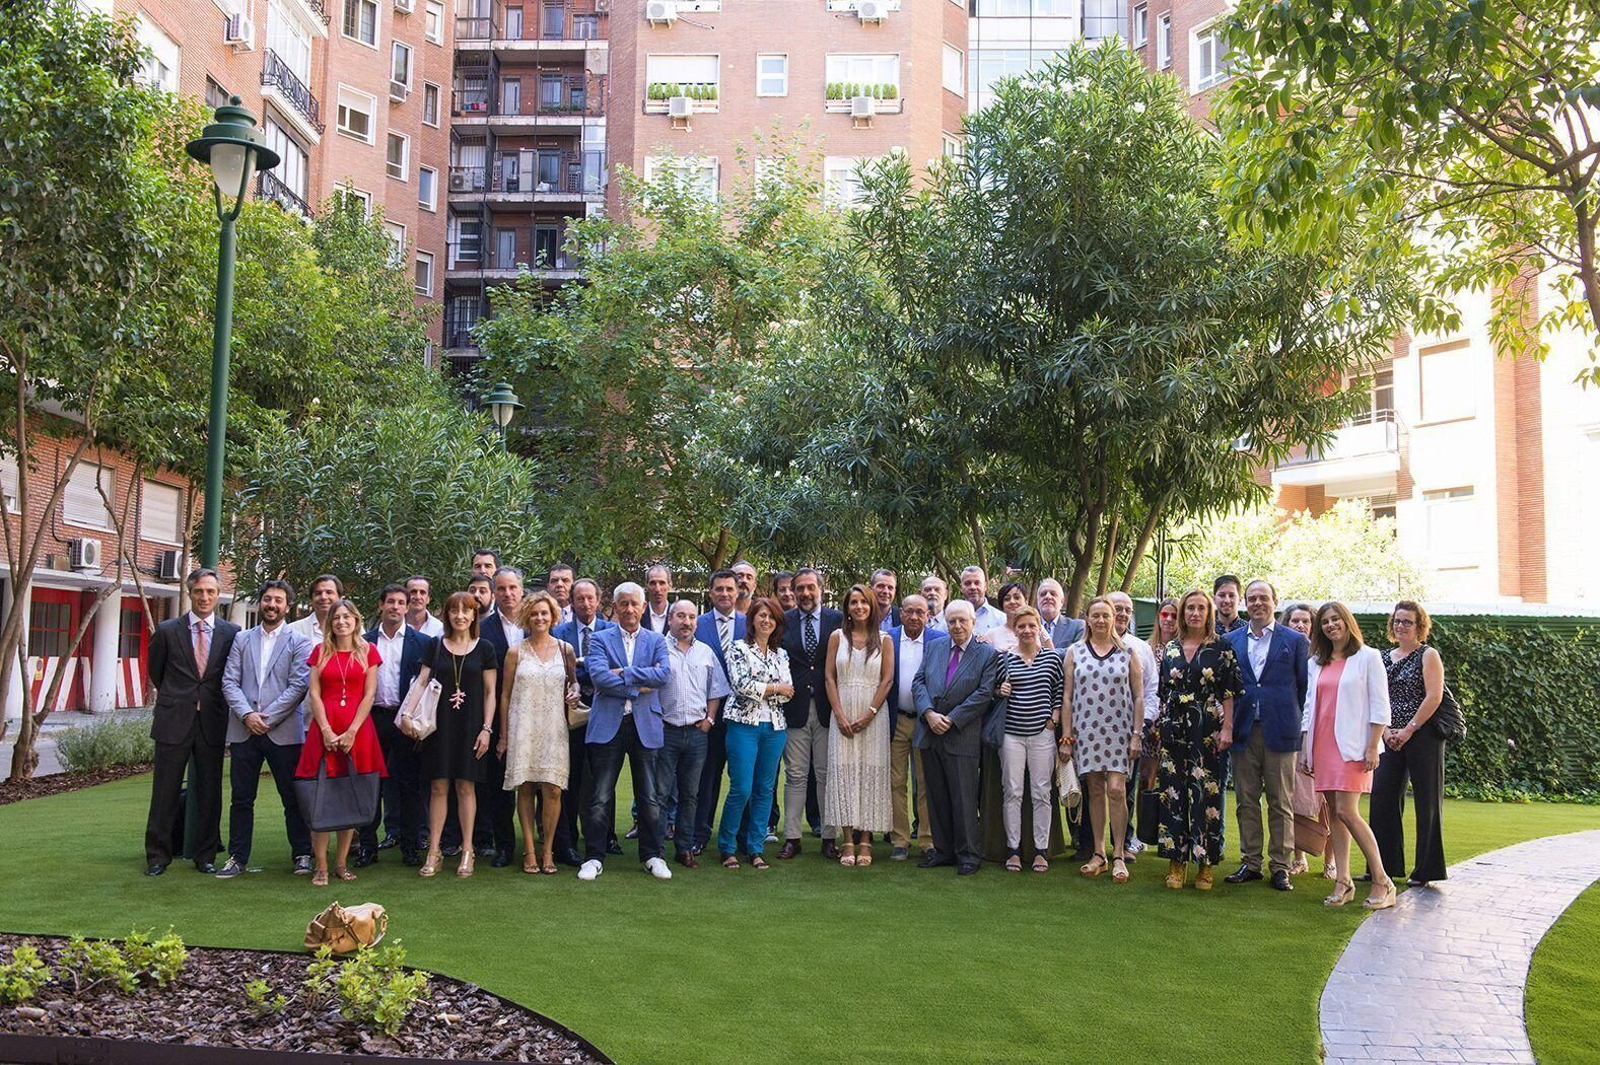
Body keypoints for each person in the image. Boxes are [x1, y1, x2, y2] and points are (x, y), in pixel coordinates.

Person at [1300, 601, 1396, 910]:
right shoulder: (1316, 662)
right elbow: (1309, 708)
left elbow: (1381, 706)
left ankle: (1383, 880)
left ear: (1347, 622)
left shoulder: (1368, 658)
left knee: (1347, 811)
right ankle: (1343, 881)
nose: (1330, 625)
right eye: (1325, 621)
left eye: (1335, 619)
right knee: (1334, 813)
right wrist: (1306, 748)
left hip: (1354, 746)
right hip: (1322, 745)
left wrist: (1373, 745)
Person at [145, 568, 240, 877]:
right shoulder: (168, 630)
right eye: (199, 591)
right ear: (190, 593)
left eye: (210, 592)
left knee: (210, 791)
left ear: (218, 595)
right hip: (174, 719)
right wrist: (180, 698)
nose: (204, 597)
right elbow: (156, 673)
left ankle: (206, 855)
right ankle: (158, 856)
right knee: (165, 791)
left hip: (211, 720)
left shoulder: (231, 632)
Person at [579, 582, 674, 882]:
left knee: (650, 796)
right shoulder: (600, 639)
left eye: (635, 604)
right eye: (624, 604)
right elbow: (599, 677)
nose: (630, 609)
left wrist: (624, 674)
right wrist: (638, 683)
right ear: (615, 607)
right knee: (600, 797)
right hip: (608, 725)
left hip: (645, 725)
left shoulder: (657, 640)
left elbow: (664, 675)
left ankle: (652, 855)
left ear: (643, 607)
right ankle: (594, 857)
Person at [219, 579, 311, 878]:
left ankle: (302, 854)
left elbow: (299, 685)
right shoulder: (242, 639)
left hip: (283, 732)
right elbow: (229, 681)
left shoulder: (299, 641)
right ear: (260, 602)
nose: (272, 605)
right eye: (268, 599)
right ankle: (237, 857)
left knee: (292, 797)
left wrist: (266, 718)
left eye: (279, 600)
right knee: (242, 798)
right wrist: (247, 715)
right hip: (245, 730)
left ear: (287, 606)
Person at [1222, 580, 1310, 892]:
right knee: (1246, 799)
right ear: (1245, 603)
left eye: (1263, 598)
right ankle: (1251, 861)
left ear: (1275, 601)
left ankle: (1281, 866)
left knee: (1280, 800)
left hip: (1281, 730)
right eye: (1252, 598)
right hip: (1244, 730)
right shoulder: (1230, 640)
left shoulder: (1295, 641)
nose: (1258, 603)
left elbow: (1303, 688)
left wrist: (1297, 723)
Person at [295, 599, 388, 887]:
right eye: (336, 617)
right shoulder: (319, 651)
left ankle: (341, 863)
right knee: (320, 798)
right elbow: (314, 694)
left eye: (347, 617)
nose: (341, 622)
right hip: (323, 730)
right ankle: (320, 866)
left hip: (358, 732)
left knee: (350, 796)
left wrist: (351, 732)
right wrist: (324, 729)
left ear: (356, 620)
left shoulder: (368, 651)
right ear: (330, 622)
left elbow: (369, 695)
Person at [1155, 589, 1242, 891]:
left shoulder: (1221, 647)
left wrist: (1228, 728)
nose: (1194, 613)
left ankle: (1205, 864)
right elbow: (1164, 691)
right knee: (1173, 793)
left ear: (1209, 613)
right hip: (1174, 729)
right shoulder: (1170, 649)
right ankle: (1176, 861)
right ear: (1182, 613)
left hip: (1207, 728)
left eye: (1200, 608)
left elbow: (1229, 692)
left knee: (1208, 795)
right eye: (1189, 608)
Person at [413, 592, 499, 878]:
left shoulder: (485, 648)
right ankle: (434, 852)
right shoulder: (435, 646)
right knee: (438, 787)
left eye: (466, 610)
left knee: (466, 787)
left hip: (472, 727)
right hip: (440, 727)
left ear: (474, 615)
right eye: (454, 611)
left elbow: (490, 693)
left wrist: (487, 728)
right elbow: (421, 682)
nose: (460, 615)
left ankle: (467, 850)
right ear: (447, 615)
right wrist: (406, 715)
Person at [912, 600, 1000, 875]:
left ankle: (968, 855)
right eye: (952, 621)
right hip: (930, 732)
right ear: (945, 623)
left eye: (963, 620)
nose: (957, 626)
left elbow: (984, 693)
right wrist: (928, 713)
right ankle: (944, 851)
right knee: (936, 797)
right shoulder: (935, 646)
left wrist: (952, 719)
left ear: (974, 622)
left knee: (963, 798)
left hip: (962, 734)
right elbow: (918, 682)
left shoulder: (986, 654)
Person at [1062, 597, 1143, 882]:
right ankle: (1099, 853)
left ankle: (1119, 853)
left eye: (1105, 615)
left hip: (1119, 732)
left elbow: (1138, 696)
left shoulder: (1128, 652)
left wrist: (1136, 734)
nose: (1100, 620)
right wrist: (1067, 735)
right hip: (1087, 731)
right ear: (1087, 619)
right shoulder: (1074, 652)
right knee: (1094, 790)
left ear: (1114, 618)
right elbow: (1068, 697)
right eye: (1095, 615)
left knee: (1117, 790)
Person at [497, 591, 575, 875]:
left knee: (553, 789)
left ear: (553, 616)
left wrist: (574, 695)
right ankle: (529, 850)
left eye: (544, 613)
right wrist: (504, 735)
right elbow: (504, 695)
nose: (539, 618)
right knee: (526, 787)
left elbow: (573, 686)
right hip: (523, 726)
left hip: (554, 726)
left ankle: (548, 850)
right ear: (526, 617)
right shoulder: (515, 652)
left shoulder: (565, 649)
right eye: (534, 613)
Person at [1373, 600, 1448, 887]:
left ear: (1419, 627)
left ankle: (1426, 871)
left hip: (1423, 736)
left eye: (1407, 621)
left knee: (1427, 802)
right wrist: (1386, 731)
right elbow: (1375, 697)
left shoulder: (1428, 655)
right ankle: (1382, 867)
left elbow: (1434, 696)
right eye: (1397, 620)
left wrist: (1408, 730)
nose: (1400, 625)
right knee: (1382, 800)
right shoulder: (1381, 657)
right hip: (1388, 735)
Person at [823, 585, 895, 867]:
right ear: (847, 608)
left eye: (864, 602)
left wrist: (869, 713)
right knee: (844, 771)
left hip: (873, 714)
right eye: (854, 602)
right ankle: (848, 839)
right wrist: (839, 714)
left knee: (870, 771)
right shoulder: (837, 637)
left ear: (871, 606)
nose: (859, 607)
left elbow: (887, 680)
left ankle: (866, 839)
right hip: (842, 710)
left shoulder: (885, 639)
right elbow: (829, 678)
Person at [657, 599, 731, 869]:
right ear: (670, 620)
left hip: (698, 733)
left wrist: (710, 720)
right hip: (667, 732)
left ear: (696, 623)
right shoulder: (657, 649)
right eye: (680, 616)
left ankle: (684, 848)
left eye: (691, 617)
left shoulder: (706, 652)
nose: (686, 622)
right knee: (660, 793)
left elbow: (716, 690)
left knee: (691, 794)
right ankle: (655, 850)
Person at [361, 584, 430, 868]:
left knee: (409, 785)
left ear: (407, 607)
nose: (396, 607)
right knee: (369, 785)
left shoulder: (422, 642)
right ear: (380, 605)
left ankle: (411, 847)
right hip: (372, 718)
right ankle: (367, 847)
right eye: (390, 602)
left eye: (401, 602)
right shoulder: (363, 641)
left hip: (405, 720)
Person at [720, 597, 792, 869]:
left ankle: (755, 847)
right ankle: (727, 847)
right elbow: (740, 685)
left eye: (771, 617)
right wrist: (774, 688)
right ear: (751, 620)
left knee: (765, 789)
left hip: (774, 728)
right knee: (741, 788)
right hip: (743, 726)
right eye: (761, 615)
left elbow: (790, 692)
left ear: (777, 623)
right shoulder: (738, 648)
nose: (766, 621)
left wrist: (766, 688)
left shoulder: (780, 655)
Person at [994, 606, 1066, 874]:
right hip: (1011, 733)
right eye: (1021, 626)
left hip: (1042, 733)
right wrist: (999, 691)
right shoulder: (1004, 660)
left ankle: (1040, 850)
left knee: (1041, 792)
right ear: (1015, 629)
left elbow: (1059, 689)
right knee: (1012, 791)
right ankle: (1013, 849)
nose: (1026, 630)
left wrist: (1054, 718)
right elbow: (992, 692)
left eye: (1031, 625)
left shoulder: (1051, 658)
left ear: (1039, 628)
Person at [778, 568, 843, 861]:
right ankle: (792, 837)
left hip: (830, 708)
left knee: (826, 775)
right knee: (795, 775)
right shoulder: (784, 620)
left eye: (810, 588)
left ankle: (830, 837)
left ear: (821, 589)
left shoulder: (837, 621)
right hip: (795, 709)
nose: (805, 593)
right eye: (799, 588)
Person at [554, 578, 616, 863]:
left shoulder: (611, 631)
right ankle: (567, 839)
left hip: (605, 709)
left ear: (599, 600)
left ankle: (607, 836)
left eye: (590, 598)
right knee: (572, 776)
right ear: (572, 601)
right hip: (570, 713)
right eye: (580, 599)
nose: (586, 604)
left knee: (605, 775)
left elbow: (615, 669)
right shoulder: (559, 633)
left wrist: (592, 670)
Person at [691, 569, 747, 855]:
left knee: (741, 778)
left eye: (729, 589)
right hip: (707, 715)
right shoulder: (697, 624)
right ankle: (700, 834)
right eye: (719, 589)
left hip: (744, 714)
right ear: (710, 592)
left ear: (738, 592)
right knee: (706, 777)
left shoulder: (751, 624)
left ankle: (742, 835)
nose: (724, 594)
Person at [475, 566, 525, 866]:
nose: (507, 594)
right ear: (494, 593)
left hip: (535, 715)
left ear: (522, 590)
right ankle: (505, 846)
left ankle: (551, 845)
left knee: (539, 785)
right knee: (499, 786)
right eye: (502, 589)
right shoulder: (482, 628)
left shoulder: (539, 622)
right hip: (496, 719)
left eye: (512, 588)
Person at [888, 595, 944, 860]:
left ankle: (927, 840)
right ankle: (899, 840)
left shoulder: (938, 640)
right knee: (895, 782)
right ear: (901, 614)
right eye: (909, 611)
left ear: (928, 616)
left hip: (925, 722)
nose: (913, 617)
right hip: (895, 720)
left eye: (919, 612)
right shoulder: (887, 638)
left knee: (925, 782)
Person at [1281, 601, 1335, 878]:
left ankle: (1330, 861)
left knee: (1326, 800)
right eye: (1295, 621)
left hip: (1324, 736)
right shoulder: (1285, 655)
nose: (1300, 625)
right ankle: (1299, 857)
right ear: (1286, 624)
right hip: (1294, 737)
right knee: (1296, 800)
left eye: (1305, 621)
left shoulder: (1325, 657)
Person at [1108, 591, 1160, 855]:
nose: (1123, 614)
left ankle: (1124, 843)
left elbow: (1151, 691)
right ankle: (1088, 846)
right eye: (1118, 608)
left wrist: (1144, 724)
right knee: (1092, 787)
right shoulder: (1088, 645)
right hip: (1096, 730)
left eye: (1128, 610)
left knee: (1125, 788)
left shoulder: (1140, 648)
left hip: (1130, 730)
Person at [289, 574, 342, 643]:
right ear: (311, 600)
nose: (323, 597)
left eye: (329, 592)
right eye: (318, 593)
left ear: (340, 598)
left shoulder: (353, 629)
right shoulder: (293, 631)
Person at [1036, 578, 1085, 649]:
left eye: (1053, 594)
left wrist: (1041, 654)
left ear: (1062, 601)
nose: (1048, 597)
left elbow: (1076, 652)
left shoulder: (1077, 627)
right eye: (1043, 594)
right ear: (1038, 601)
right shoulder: (1028, 628)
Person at [958, 566, 1006, 635]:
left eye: (977, 583)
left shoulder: (1001, 619)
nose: (973, 587)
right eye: (967, 583)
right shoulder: (950, 619)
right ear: (961, 588)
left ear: (985, 586)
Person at [642, 565, 673, 634]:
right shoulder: (638, 615)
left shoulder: (677, 616)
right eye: (652, 583)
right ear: (646, 586)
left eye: (662, 583)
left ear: (670, 586)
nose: (657, 589)